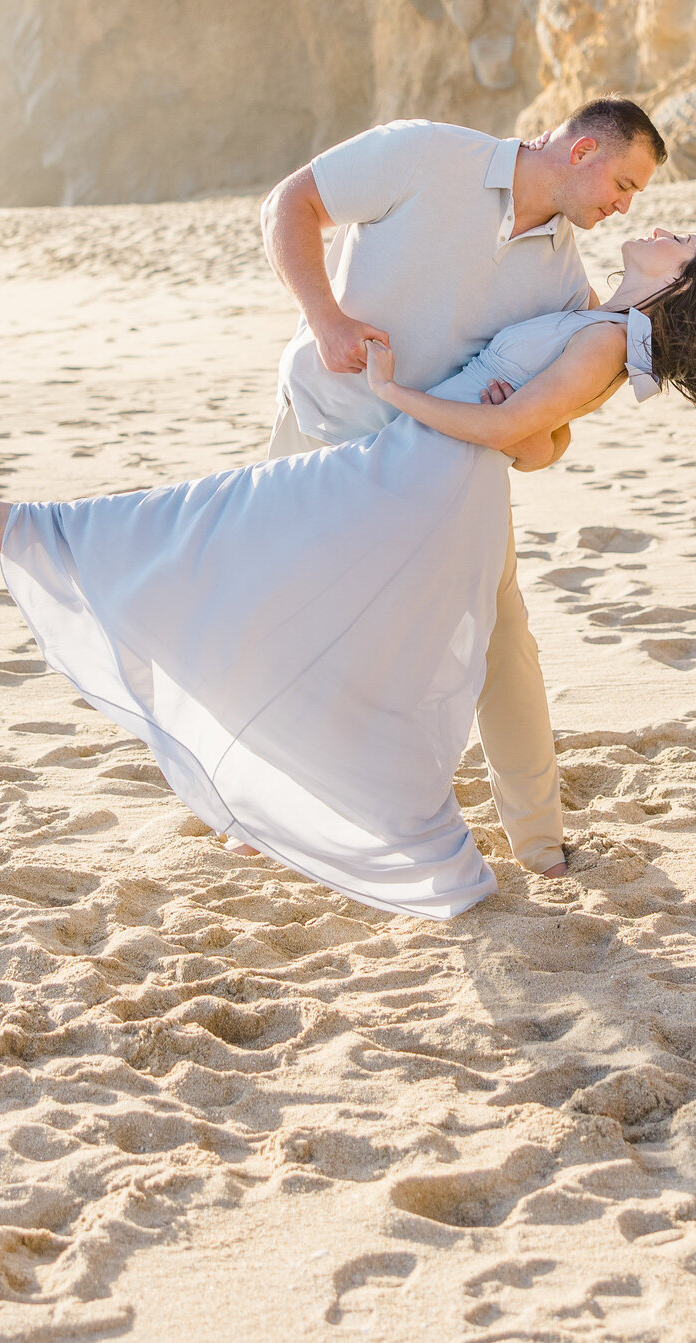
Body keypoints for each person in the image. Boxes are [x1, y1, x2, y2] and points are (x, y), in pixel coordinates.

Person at [0, 226, 696, 922]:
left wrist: (399, 394)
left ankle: (44, 533)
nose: (672, 227)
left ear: (683, 283)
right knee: (318, 578)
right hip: (443, 475)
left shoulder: (610, 342)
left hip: (427, 467)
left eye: (690, 244)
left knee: (242, 523)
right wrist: (518, 420)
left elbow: (509, 430)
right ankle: (515, 839)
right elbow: (536, 442)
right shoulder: (602, 324)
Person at [259, 102, 665, 879]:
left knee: (501, 640)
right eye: (622, 183)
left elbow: (546, 429)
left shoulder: (565, 281)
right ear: (581, 150)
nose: (623, 206)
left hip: (438, 469)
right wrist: (325, 319)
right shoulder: (424, 154)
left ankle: (542, 842)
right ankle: (260, 811)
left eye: (632, 196)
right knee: (288, 623)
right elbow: (292, 203)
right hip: (322, 425)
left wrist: (533, 438)